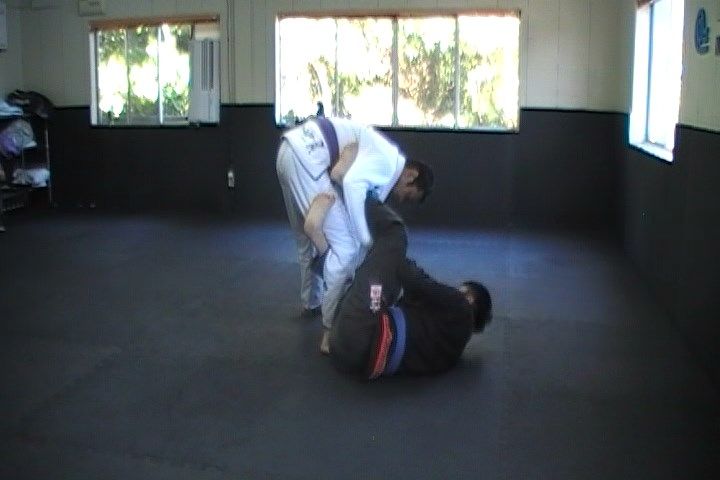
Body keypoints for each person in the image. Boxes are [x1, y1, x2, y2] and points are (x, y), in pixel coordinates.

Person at [276, 116, 434, 353]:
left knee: (305, 241)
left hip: (289, 150)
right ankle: (329, 330)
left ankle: (311, 301)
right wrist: (365, 240)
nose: (402, 199)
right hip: (308, 158)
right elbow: (351, 184)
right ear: (410, 175)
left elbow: (347, 181)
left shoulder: (381, 155)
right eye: (409, 194)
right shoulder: (388, 163)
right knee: (347, 249)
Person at [306, 194, 492, 378]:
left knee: (396, 235)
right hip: (350, 359)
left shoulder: (461, 305)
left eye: (460, 290)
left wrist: (389, 258)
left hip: (363, 330)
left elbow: (414, 279)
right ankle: (324, 254)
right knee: (377, 283)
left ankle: (361, 192)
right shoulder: (451, 354)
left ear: (470, 297)